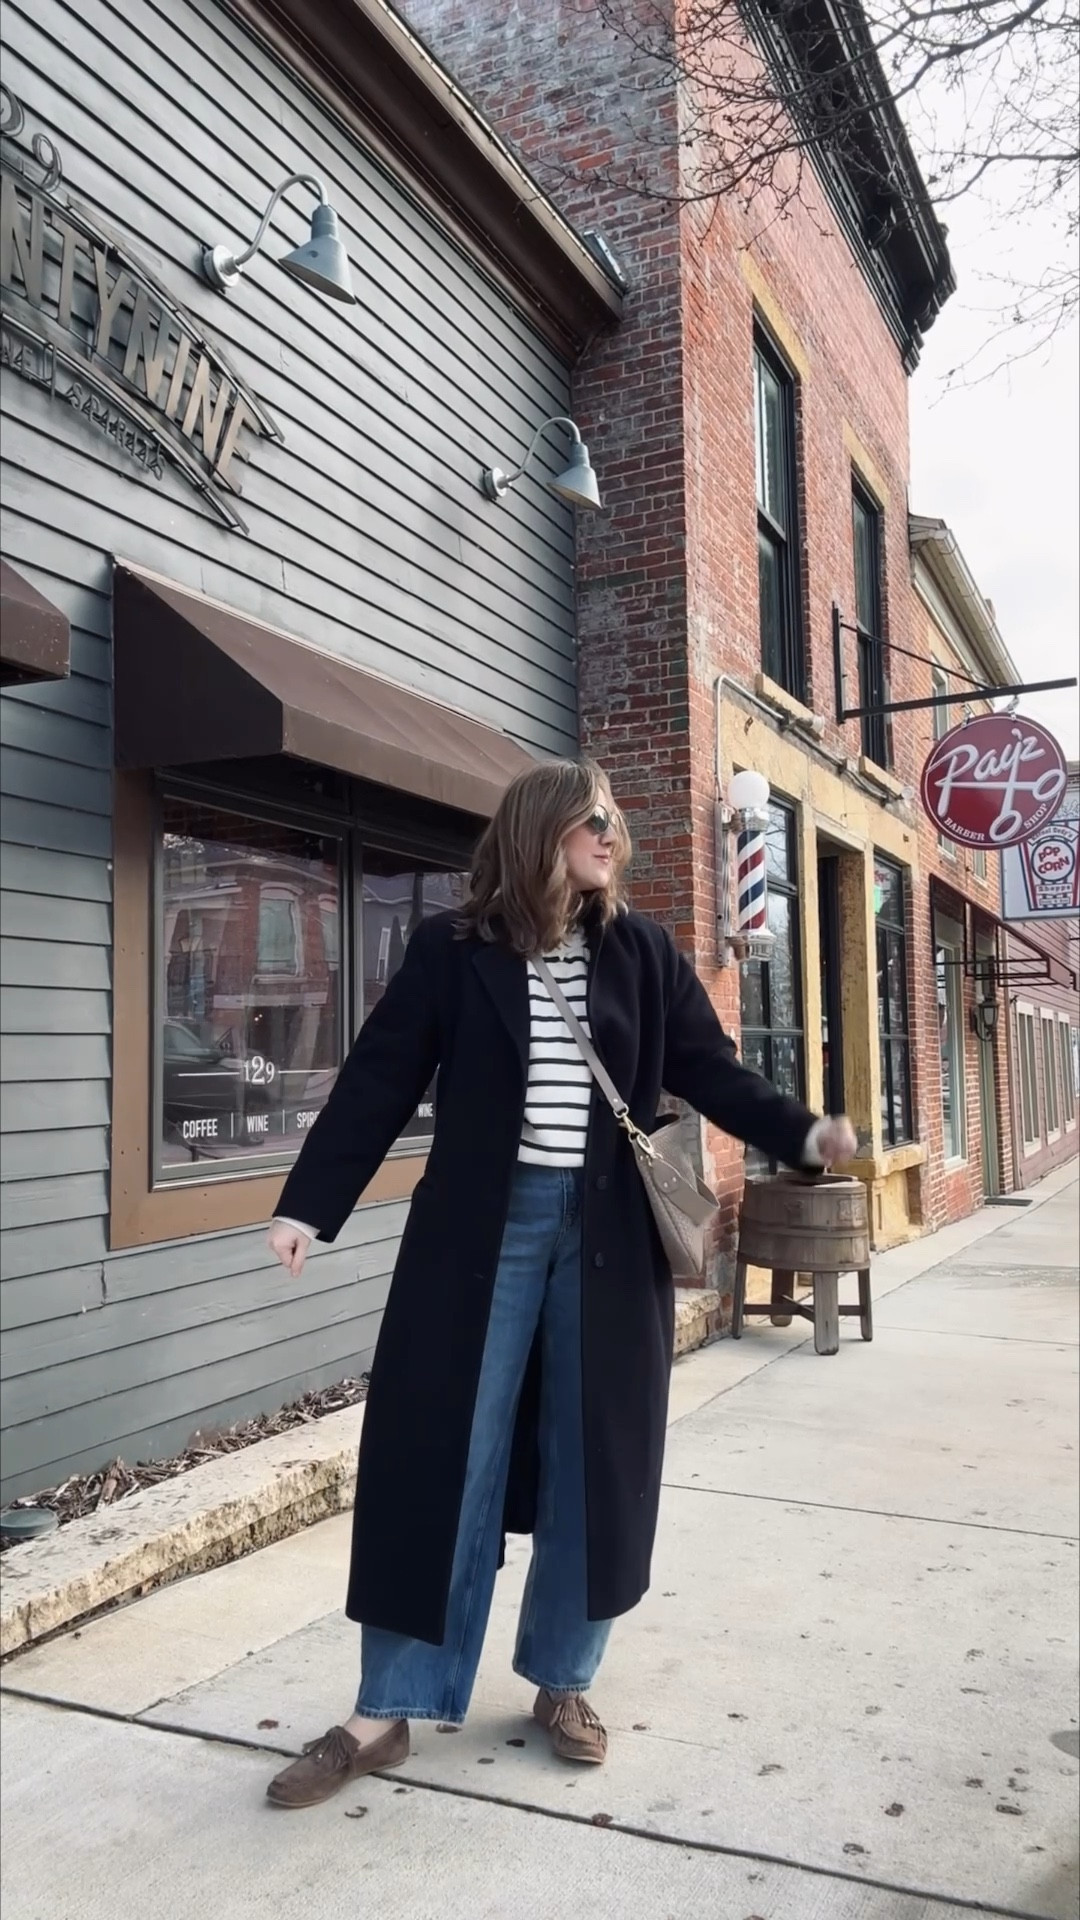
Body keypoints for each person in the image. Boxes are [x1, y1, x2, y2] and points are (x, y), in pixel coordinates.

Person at [264, 759, 856, 1809]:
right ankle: (385, 1708)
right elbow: (380, 1075)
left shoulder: (642, 952)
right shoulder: (452, 951)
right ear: (540, 831)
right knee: (440, 1453)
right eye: (592, 820)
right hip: (477, 1234)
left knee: (598, 1459)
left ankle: (564, 1681)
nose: (610, 834)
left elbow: (708, 1069)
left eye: (616, 819)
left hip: (608, 1235)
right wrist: (310, 1202)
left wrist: (801, 1134)